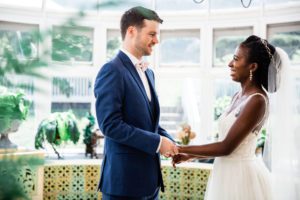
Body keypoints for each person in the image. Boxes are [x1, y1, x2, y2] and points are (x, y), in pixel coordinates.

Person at [172, 35, 285, 200]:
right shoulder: (238, 96)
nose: (230, 64)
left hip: (240, 178)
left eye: (236, 59)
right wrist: (191, 155)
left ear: (252, 66)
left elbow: (226, 147)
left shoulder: (257, 100)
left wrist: (180, 148)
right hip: (224, 171)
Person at [94, 6, 177, 200]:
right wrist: (158, 143)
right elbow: (110, 125)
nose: (156, 40)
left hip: (151, 184)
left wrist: (171, 143)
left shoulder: (149, 73)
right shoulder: (111, 70)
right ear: (131, 31)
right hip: (123, 185)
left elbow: (149, 123)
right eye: (152, 34)